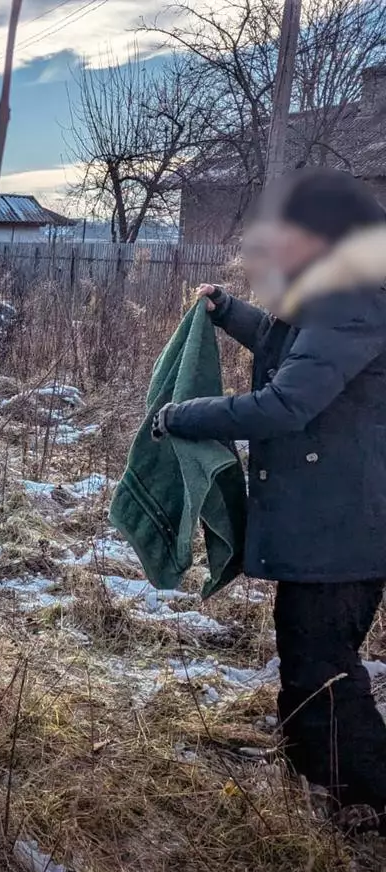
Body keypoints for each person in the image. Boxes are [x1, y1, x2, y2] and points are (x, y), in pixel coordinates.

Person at [152, 167, 386, 828]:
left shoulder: (353, 301)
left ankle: (368, 788)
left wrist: (182, 415)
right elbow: (292, 350)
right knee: (305, 648)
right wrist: (229, 313)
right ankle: (321, 774)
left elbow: (288, 402)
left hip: (346, 523)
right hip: (334, 517)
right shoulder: (340, 293)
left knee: (325, 662)